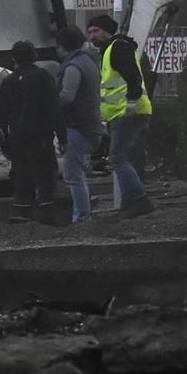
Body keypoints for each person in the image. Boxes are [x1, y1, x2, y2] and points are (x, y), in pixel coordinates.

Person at [86, 14, 155, 218]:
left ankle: (139, 200)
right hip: (126, 113)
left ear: (107, 30)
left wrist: (132, 101)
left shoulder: (117, 48)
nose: (92, 36)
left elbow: (132, 76)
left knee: (117, 158)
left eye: (95, 31)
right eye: (89, 32)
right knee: (131, 158)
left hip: (127, 112)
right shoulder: (110, 50)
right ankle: (130, 204)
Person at [0, 39, 61, 216]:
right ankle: (47, 215)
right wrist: (63, 136)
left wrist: (3, 142)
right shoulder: (44, 77)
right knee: (45, 178)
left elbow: (0, 114)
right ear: (35, 56)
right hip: (41, 138)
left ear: (13, 59)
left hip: (17, 139)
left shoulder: (7, 82)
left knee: (22, 179)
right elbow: (54, 108)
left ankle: (23, 216)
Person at [56, 24, 105, 225]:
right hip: (91, 125)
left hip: (78, 126)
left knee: (73, 175)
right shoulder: (89, 62)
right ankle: (83, 216)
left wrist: (49, 104)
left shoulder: (73, 66)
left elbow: (67, 96)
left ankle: (82, 218)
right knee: (79, 174)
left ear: (62, 46)